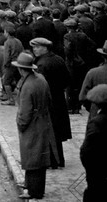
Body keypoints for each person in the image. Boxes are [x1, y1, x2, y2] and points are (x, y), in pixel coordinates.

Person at [13, 52, 57, 200]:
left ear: (21, 69)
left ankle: (34, 191)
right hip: (44, 120)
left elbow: (25, 112)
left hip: (32, 124)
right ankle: (30, 186)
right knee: (39, 157)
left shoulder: (27, 86)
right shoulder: (40, 78)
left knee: (31, 156)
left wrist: (21, 125)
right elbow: (50, 100)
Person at [31, 37, 72, 168]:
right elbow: (67, 79)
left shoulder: (42, 64)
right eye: (33, 47)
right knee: (57, 130)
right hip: (59, 99)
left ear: (45, 48)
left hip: (47, 102)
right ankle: (59, 159)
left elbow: (39, 86)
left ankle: (51, 161)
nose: (34, 50)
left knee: (47, 130)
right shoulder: (58, 59)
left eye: (37, 47)